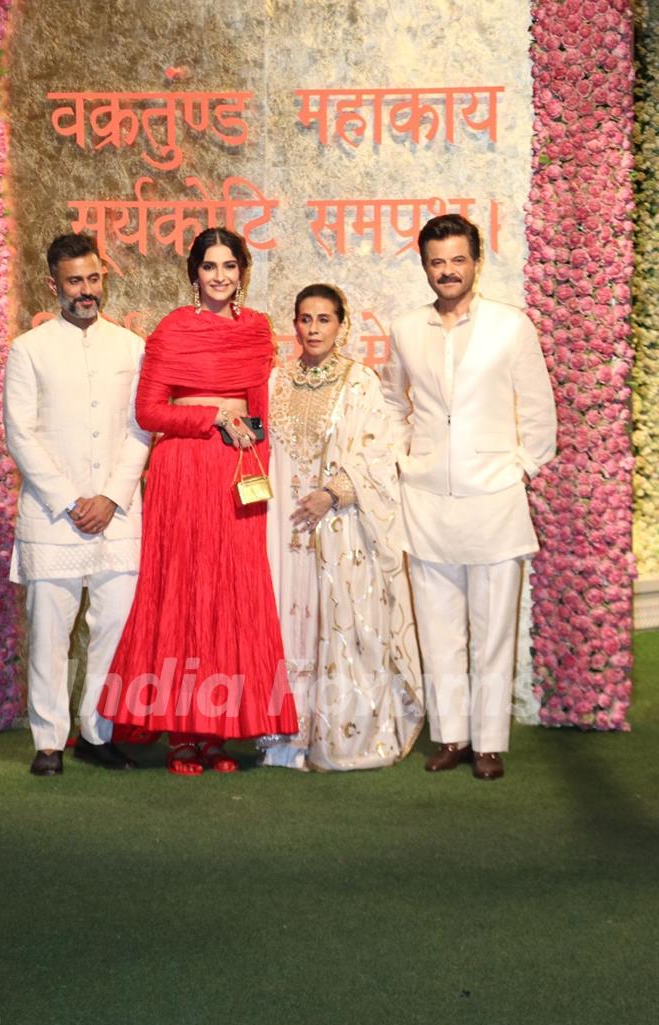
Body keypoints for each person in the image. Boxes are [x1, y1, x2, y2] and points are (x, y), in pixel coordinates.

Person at [98, 227, 298, 773]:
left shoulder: (258, 332)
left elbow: (260, 409)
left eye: (229, 266)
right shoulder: (172, 330)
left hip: (236, 469)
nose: (220, 277)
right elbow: (150, 413)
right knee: (185, 591)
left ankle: (219, 733)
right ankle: (183, 732)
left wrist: (247, 436)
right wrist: (212, 417)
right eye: (209, 267)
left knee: (234, 593)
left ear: (243, 272)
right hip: (183, 468)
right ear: (194, 274)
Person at [380, 214, 556, 780]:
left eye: (458, 259)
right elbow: (391, 401)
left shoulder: (511, 326)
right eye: (437, 261)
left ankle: (488, 743)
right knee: (438, 627)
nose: (448, 270)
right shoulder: (407, 328)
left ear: (476, 262)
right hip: (427, 498)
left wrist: (519, 469)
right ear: (425, 266)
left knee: (493, 626)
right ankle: (452, 736)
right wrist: (406, 458)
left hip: (494, 499)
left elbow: (538, 410)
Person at [3, 232, 151, 776]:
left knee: (115, 628)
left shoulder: (132, 347)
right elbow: (21, 435)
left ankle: (96, 732)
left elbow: (142, 429)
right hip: (53, 518)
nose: (85, 291)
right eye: (73, 281)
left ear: (103, 276)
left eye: (92, 278)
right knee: (50, 632)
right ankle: (48, 741)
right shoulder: (29, 349)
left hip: (117, 516)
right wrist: (70, 501)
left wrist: (111, 497)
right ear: (53, 285)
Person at [259, 284, 423, 771]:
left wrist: (332, 492)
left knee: (341, 620)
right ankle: (285, 738)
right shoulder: (275, 382)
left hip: (341, 526)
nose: (313, 329)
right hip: (284, 525)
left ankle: (346, 737)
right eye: (305, 319)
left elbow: (377, 453)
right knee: (288, 619)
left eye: (324, 319)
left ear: (341, 325)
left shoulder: (361, 383)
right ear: (294, 325)